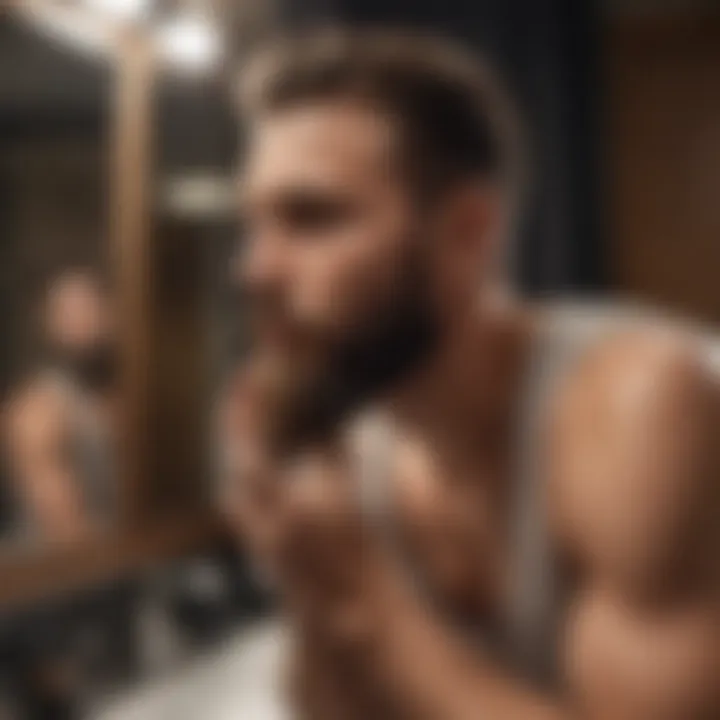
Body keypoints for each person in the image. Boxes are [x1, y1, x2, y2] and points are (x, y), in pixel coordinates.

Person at [227, 29, 720, 719]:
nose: (255, 271)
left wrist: (363, 594)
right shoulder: (353, 451)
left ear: (467, 230)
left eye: (312, 219)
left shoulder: (638, 407)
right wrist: (310, 583)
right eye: (253, 226)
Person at [4, 268, 117, 546]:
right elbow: (67, 530)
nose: (85, 322)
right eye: (70, 313)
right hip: (54, 578)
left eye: (92, 308)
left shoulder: (121, 397)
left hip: (118, 565)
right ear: (49, 323)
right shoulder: (36, 411)